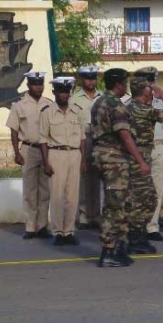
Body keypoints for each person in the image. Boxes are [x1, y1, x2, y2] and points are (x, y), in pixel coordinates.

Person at [90, 68, 150, 267]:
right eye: (125, 82)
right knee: (115, 206)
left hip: (105, 157)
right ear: (118, 84)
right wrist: (140, 160)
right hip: (113, 159)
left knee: (119, 202)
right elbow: (124, 134)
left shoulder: (98, 101)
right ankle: (108, 251)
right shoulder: (114, 105)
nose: (126, 86)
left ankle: (118, 247)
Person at [127, 76, 163, 252]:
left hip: (139, 155)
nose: (150, 97)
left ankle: (138, 236)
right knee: (146, 199)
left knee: (141, 198)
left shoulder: (127, 107)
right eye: (148, 93)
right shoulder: (143, 109)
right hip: (141, 157)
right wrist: (162, 95)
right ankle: (136, 237)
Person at [6, 71, 53, 239]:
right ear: (28, 85)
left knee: (45, 189)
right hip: (28, 148)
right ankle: (30, 227)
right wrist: (16, 152)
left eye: (40, 84)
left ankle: (42, 226)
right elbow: (14, 130)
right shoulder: (19, 105)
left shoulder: (49, 104)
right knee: (30, 190)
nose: (38, 87)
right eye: (35, 84)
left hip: (46, 150)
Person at [40, 77, 85, 246]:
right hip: (56, 154)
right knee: (57, 195)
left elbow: (82, 137)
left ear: (70, 93)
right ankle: (58, 232)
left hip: (74, 154)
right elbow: (43, 139)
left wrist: (83, 160)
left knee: (72, 195)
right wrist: (46, 162)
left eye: (66, 91)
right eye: (60, 91)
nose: (63, 95)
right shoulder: (47, 112)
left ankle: (69, 231)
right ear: (54, 93)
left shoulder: (77, 110)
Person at [72, 66, 102, 229]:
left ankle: (96, 214)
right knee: (83, 178)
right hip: (82, 140)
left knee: (97, 177)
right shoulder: (74, 99)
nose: (90, 81)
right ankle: (83, 215)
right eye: (87, 78)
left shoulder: (102, 97)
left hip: (98, 139)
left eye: (93, 78)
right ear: (82, 79)